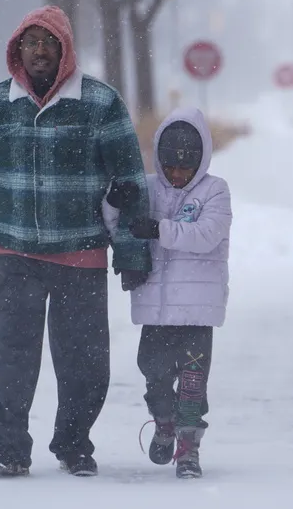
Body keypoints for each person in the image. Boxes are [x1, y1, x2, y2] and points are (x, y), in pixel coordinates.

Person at [0, 5, 152, 478]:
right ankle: (9, 446)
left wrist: (130, 247)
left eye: (49, 41)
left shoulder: (100, 103)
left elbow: (129, 182)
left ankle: (73, 442)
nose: (40, 50)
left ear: (64, 49)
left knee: (83, 360)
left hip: (80, 252)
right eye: (31, 42)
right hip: (14, 251)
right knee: (14, 353)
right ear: (17, 50)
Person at [103, 107, 232, 479]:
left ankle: (189, 448)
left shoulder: (215, 191)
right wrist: (113, 200)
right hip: (156, 310)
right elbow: (115, 225)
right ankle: (163, 421)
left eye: (185, 168)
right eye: (170, 167)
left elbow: (206, 236)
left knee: (193, 382)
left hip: (196, 313)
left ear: (201, 160)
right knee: (154, 372)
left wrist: (159, 229)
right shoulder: (146, 188)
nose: (177, 175)